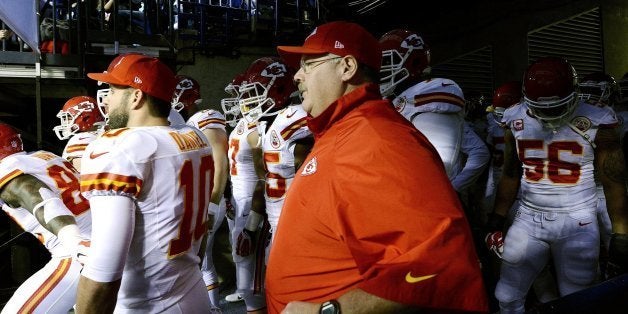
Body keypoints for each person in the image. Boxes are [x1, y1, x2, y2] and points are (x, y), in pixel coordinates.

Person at [269, 21, 488, 313]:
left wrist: (330, 310)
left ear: (346, 67)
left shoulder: (376, 139)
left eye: (308, 64)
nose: (296, 75)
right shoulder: (345, 129)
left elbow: (439, 263)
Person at [485, 57, 628, 313]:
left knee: (578, 297)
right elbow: (510, 171)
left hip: (578, 220)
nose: (549, 114)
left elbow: (613, 177)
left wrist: (620, 231)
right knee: (506, 295)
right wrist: (498, 215)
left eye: (557, 106)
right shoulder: (514, 116)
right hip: (528, 217)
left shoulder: (598, 119)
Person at [75, 53, 212, 313]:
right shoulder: (196, 137)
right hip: (192, 290)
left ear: (136, 96)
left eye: (114, 90)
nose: (106, 99)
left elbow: (103, 271)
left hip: (146, 306)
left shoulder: (120, 148)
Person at [234, 56, 313, 313]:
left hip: (300, 228)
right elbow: (266, 180)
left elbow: (312, 180)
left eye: (255, 92)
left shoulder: (295, 120)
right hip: (275, 225)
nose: (249, 100)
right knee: (271, 294)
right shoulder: (267, 125)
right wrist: (252, 226)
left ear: (278, 90)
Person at [378, 29, 490, 198]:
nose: (381, 68)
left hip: (419, 200)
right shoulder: (396, 99)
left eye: (387, 60)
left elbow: (432, 169)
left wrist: (454, 189)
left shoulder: (429, 94)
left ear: (414, 62)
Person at [0, 123, 90, 313]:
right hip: (105, 238)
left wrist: (74, 241)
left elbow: (39, 198)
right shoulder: (43, 157)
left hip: (77, 252)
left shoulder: (8, 171)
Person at [172, 74, 229, 312]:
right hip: (195, 199)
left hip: (207, 199)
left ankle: (211, 308)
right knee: (201, 261)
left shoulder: (204, 119)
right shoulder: (185, 123)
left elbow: (220, 163)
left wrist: (213, 204)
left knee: (199, 261)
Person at [53, 95, 106, 171]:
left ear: (86, 118)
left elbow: (83, 174)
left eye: (69, 117)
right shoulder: (105, 135)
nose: (65, 122)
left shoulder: (81, 139)